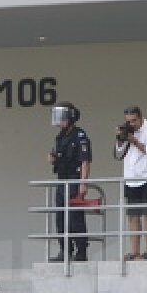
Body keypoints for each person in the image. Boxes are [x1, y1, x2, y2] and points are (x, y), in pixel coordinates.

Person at [114, 106, 147, 261]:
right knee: (132, 215)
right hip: (131, 178)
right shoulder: (127, 131)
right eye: (128, 121)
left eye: (134, 120)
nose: (132, 124)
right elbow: (118, 154)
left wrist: (134, 141)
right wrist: (120, 138)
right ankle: (134, 251)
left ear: (141, 117)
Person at [48, 101, 92, 261]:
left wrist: (83, 183)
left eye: (62, 117)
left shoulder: (79, 136)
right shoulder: (60, 137)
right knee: (60, 217)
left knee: (75, 217)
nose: (59, 121)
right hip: (62, 180)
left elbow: (85, 161)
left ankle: (81, 251)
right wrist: (53, 160)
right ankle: (65, 250)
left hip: (74, 179)